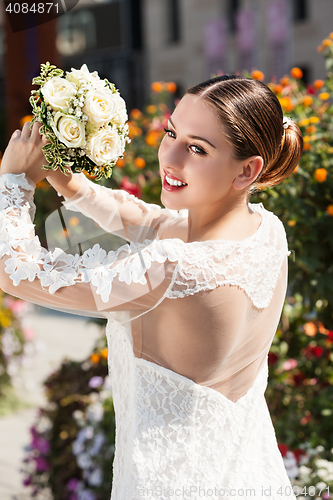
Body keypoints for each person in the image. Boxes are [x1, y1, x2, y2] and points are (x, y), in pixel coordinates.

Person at [0, 74, 303, 500]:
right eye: (171, 133)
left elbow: (16, 272)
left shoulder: (171, 267)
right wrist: (66, 179)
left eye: (197, 148)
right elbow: (149, 222)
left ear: (248, 169)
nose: (170, 157)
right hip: (251, 476)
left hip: (169, 485)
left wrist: (13, 183)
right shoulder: (265, 231)